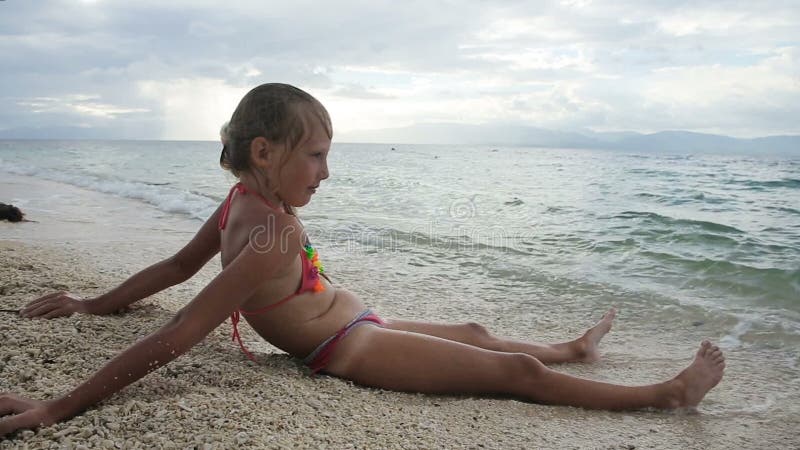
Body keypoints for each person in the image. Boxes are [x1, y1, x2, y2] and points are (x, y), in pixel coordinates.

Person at [0, 83, 725, 437]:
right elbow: (180, 327)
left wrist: (93, 302)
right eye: (316, 155)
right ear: (265, 152)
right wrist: (58, 407)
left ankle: (572, 347)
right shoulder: (268, 237)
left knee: (475, 330)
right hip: (348, 348)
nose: (325, 171)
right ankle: (660, 396)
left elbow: (168, 269)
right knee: (514, 374)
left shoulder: (246, 207)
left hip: (361, 319)